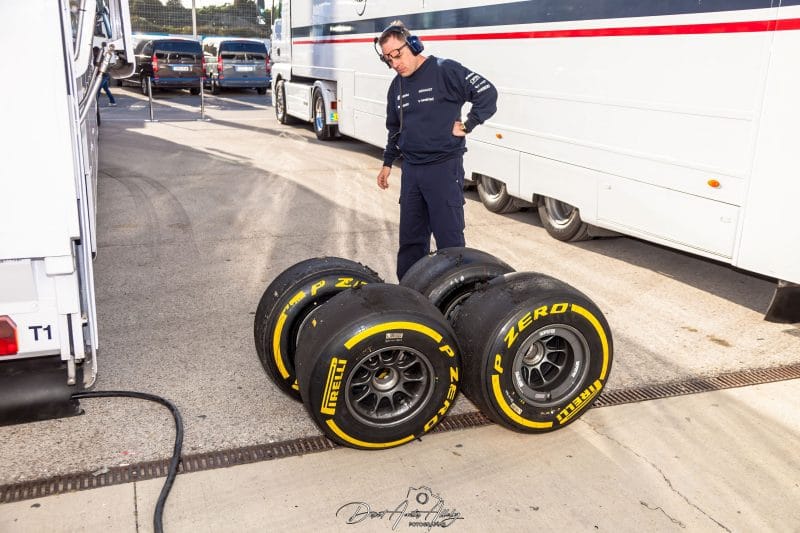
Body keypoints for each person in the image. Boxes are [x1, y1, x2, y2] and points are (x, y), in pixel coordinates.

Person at [375, 22, 498, 281]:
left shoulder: (445, 70)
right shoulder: (395, 88)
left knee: (449, 240)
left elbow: (487, 92)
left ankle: (458, 296)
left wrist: (468, 124)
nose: (395, 63)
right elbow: (394, 128)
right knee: (411, 241)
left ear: (413, 45)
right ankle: (411, 293)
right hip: (411, 172)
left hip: (443, 168)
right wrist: (387, 162)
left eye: (398, 54)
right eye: (389, 59)